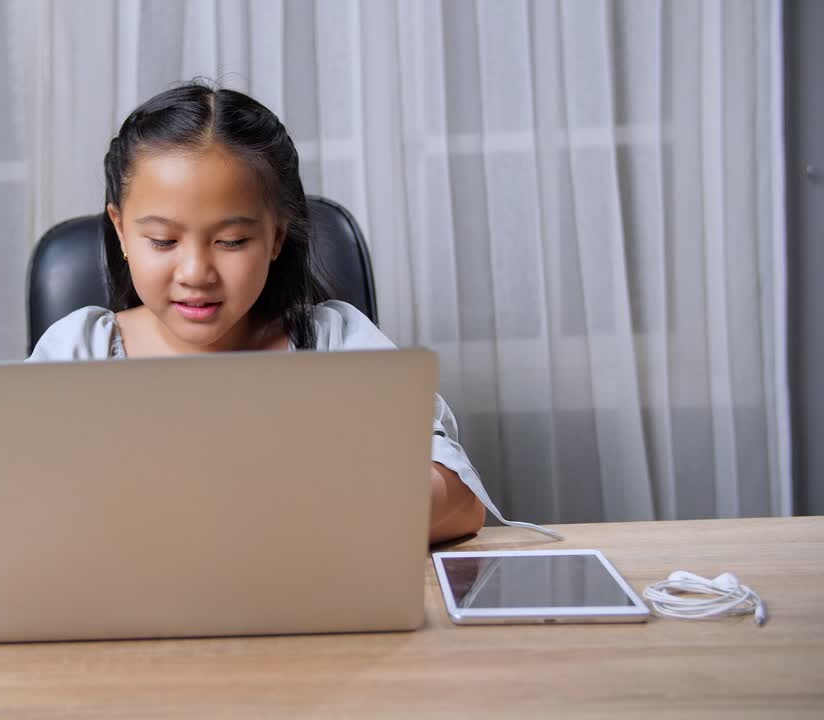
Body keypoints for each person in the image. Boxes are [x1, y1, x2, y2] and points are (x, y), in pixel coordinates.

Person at [29, 82, 548, 544]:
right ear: (121, 231)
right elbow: (21, 506)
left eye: (232, 241)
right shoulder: (79, 349)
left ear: (277, 235)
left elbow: (460, 502)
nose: (196, 272)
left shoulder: (336, 343)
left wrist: (286, 512)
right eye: (163, 241)